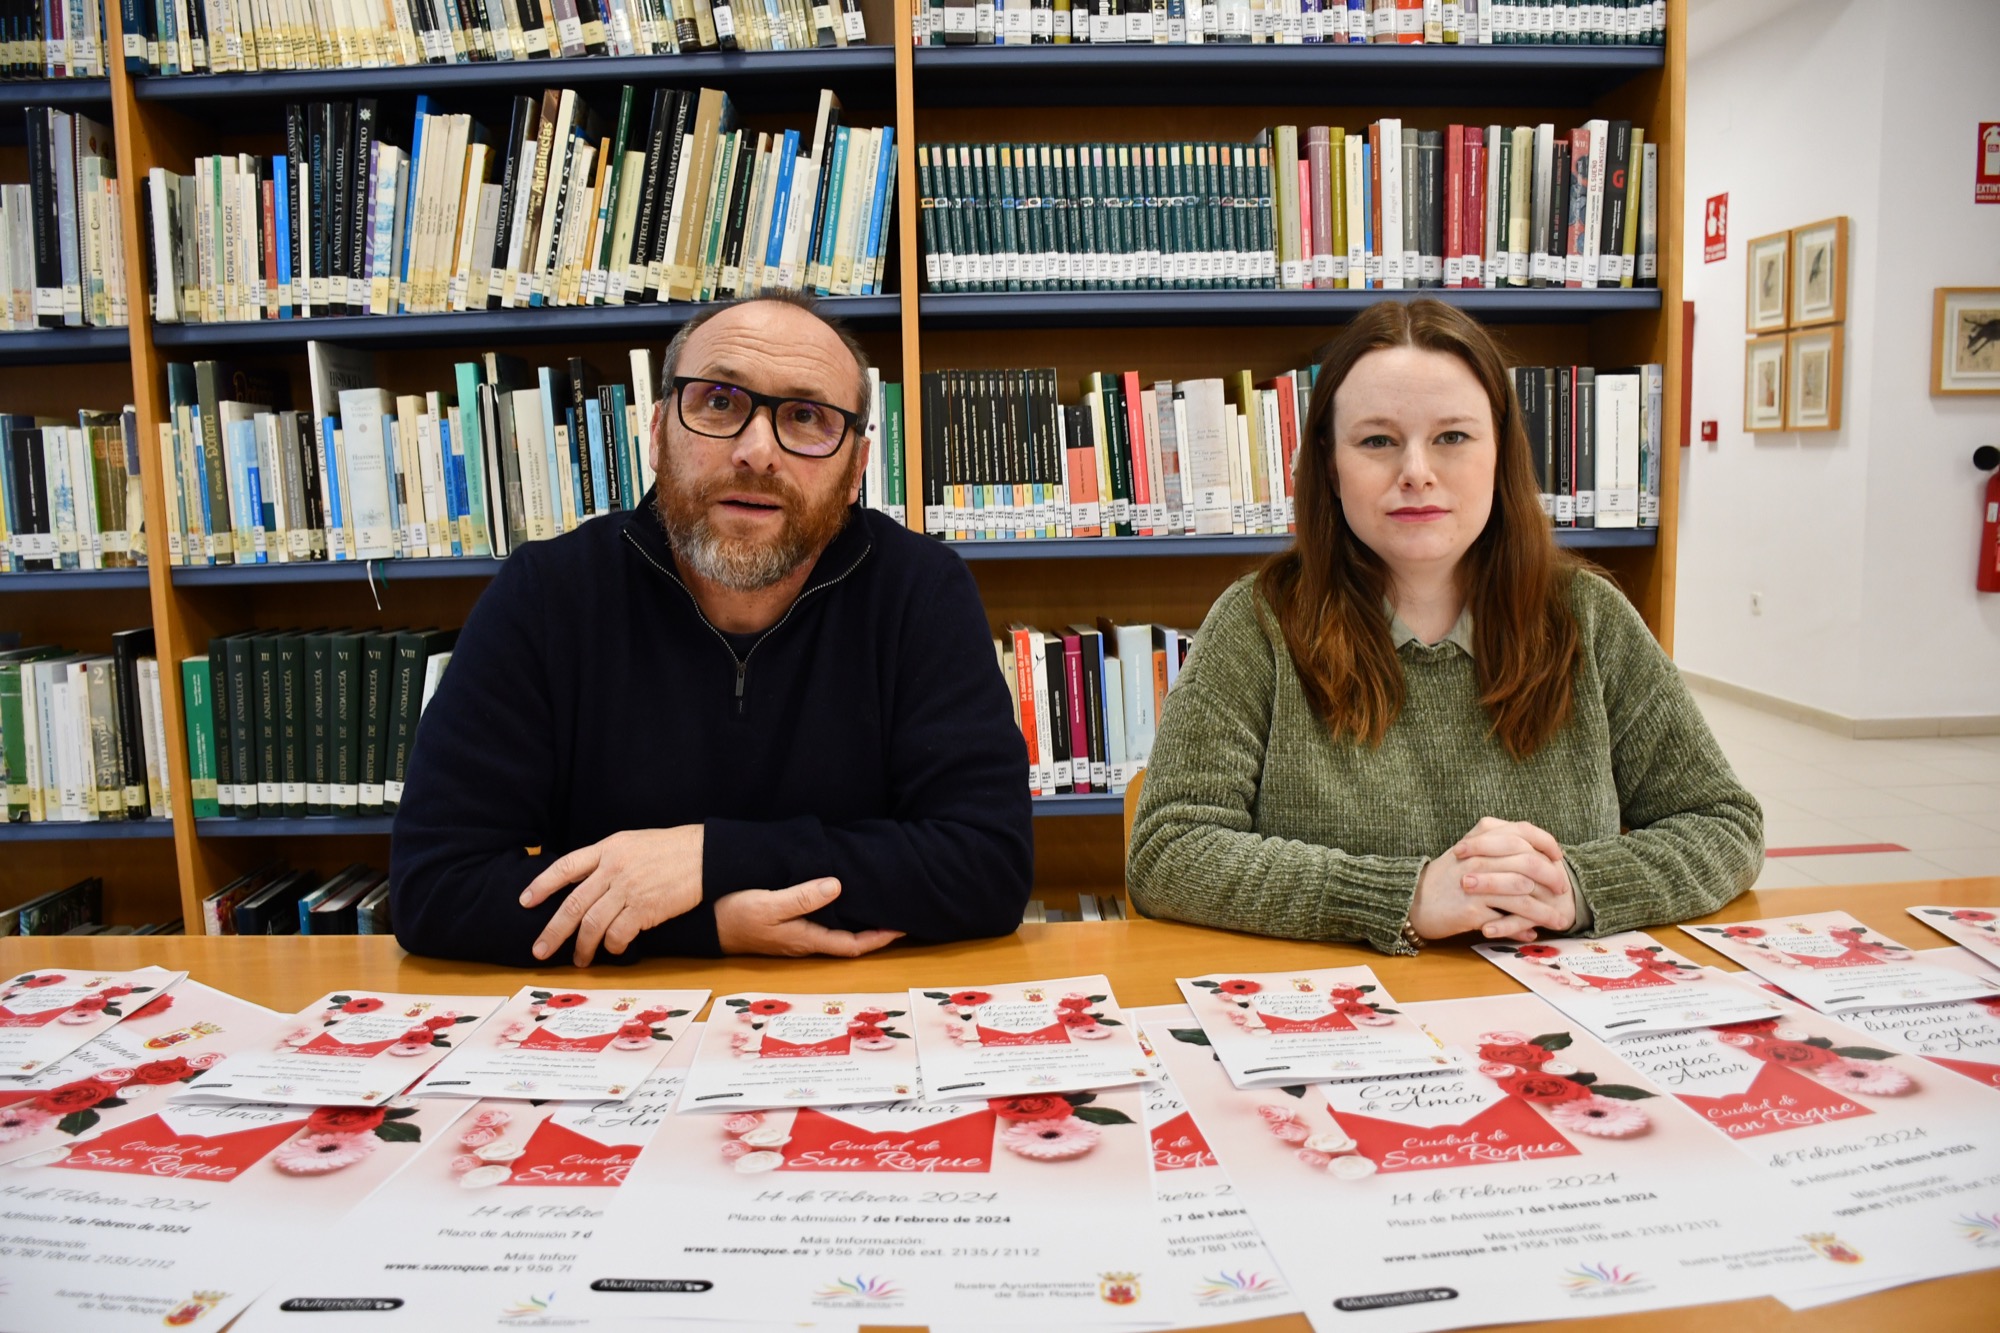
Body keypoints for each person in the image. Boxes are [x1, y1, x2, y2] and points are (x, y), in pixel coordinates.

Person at [391, 293, 1033, 967]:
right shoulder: (547, 593)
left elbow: (988, 866)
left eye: (806, 416)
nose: (757, 452)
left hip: (852, 1012)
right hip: (620, 1013)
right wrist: (710, 926)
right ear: (657, 431)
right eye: (720, 403)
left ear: (855, 470)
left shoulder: (921, 591)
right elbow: (434, 885)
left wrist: (707, 858)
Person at [1127, 299, 1761, 953]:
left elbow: (1723, 821)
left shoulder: (1588, 617)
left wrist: (1573, 887)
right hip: (1339, 1007)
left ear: (1501, 453)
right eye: (1377, 441)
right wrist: (1405, 897)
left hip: (1545, 1004)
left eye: (1452, 437)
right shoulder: (1258, 623)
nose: (1417, 473)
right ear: (1330, 466)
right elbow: (1168, 851)